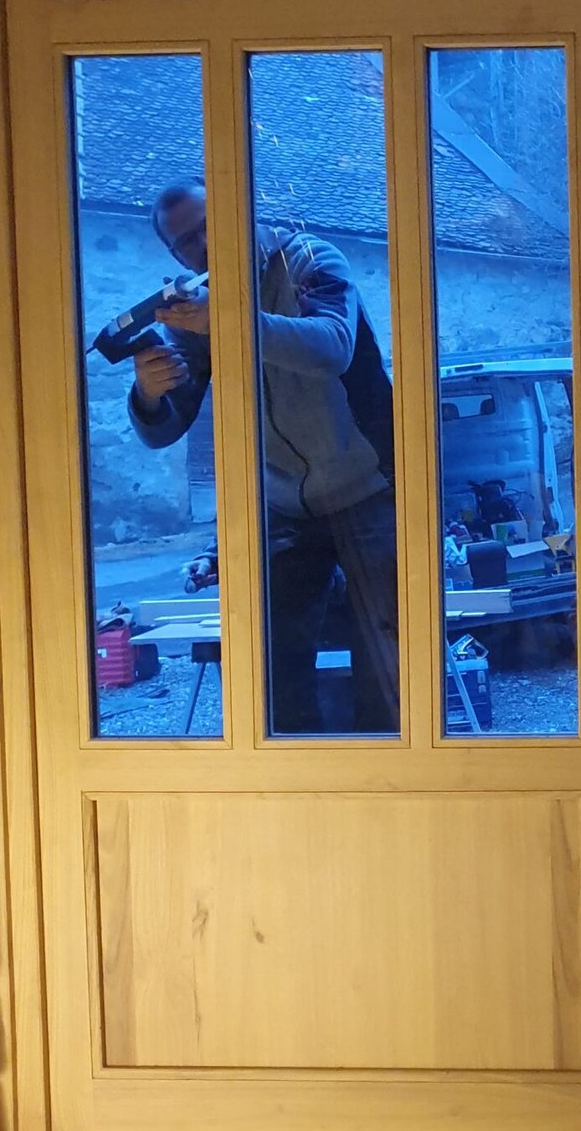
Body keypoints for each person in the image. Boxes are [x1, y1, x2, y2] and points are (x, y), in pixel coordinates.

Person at [128, 180, 400, 735]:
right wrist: (150, 394)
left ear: (240, 209)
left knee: (389, 660)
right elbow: (168, 424)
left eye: (211, 224)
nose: (205, 243)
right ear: (175, 257)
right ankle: (295, 781)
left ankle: (394, 776)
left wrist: (225, 319)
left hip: (368, 487)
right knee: (271, 671)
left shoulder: (309, 259)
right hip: (282, 505)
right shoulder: (197, 308)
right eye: (187, 241)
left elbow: (332, 345)